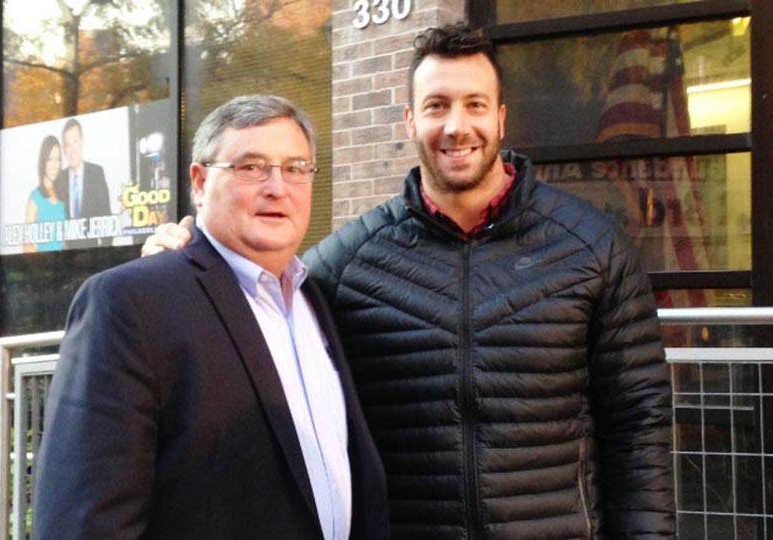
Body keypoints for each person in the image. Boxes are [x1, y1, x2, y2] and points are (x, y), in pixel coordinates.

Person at [143, 24, 674, 540]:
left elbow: (638, 421)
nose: (457, 126)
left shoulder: (592, 246)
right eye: (436, 106)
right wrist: (184, 266)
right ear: (409, 121)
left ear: (501, 118)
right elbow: (253, 310)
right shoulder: (345, 264)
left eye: (475, 104)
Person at [34, 95, 389, 540]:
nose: (277, 187)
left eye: (295, 168)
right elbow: (85, 520)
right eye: (250, 167)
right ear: (200, 183)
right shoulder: (131, 303)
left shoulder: (314, 299)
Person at [54, 117, 112, 248]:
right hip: (65, 255)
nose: (72, 150)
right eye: (67, 145)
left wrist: (104, 253)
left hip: (93, 253)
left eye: (75, 142)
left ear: (82, 142)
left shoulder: (96, 173)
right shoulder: (59, 179)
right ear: (63, 149)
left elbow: (106, 218)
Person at [24, 135, 66, 253]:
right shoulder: (35, 198)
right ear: (43, 161)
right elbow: (27, 245)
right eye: (49, 159)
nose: (54, 165)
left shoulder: (65, 195)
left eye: (57, 159)